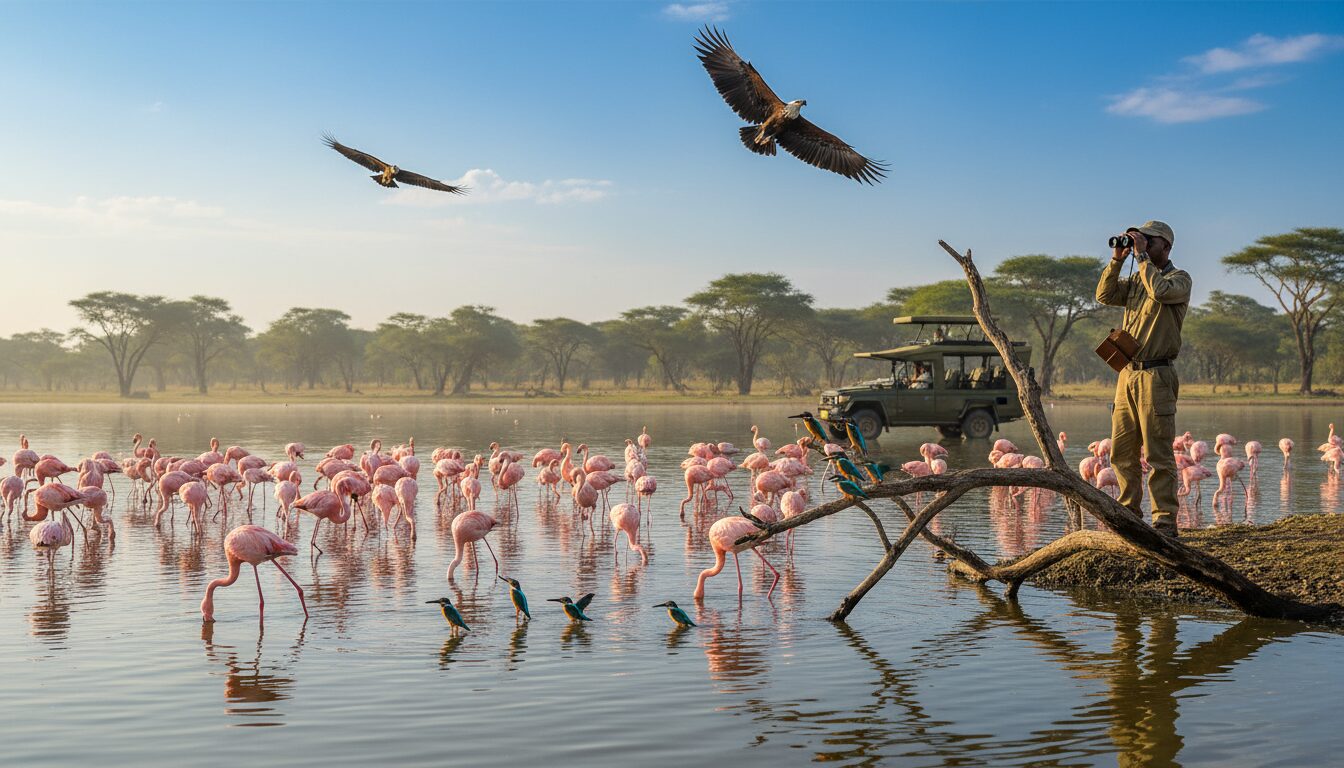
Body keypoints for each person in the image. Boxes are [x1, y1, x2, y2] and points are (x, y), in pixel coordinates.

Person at [1095, 220, 1191, 537]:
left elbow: (1160, 292)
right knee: (1122, 453)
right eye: (1140, 240)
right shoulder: (1137, 277)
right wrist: (1117, 260)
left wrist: (1142, 259)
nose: (1143, 244)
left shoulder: (1179, 279)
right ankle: (1128, 515)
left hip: (1157, 374)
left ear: (1167, 245)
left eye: (1149, 240)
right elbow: (1104, 295)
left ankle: (1164, 522)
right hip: (1127, 373)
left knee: (1158, 453)